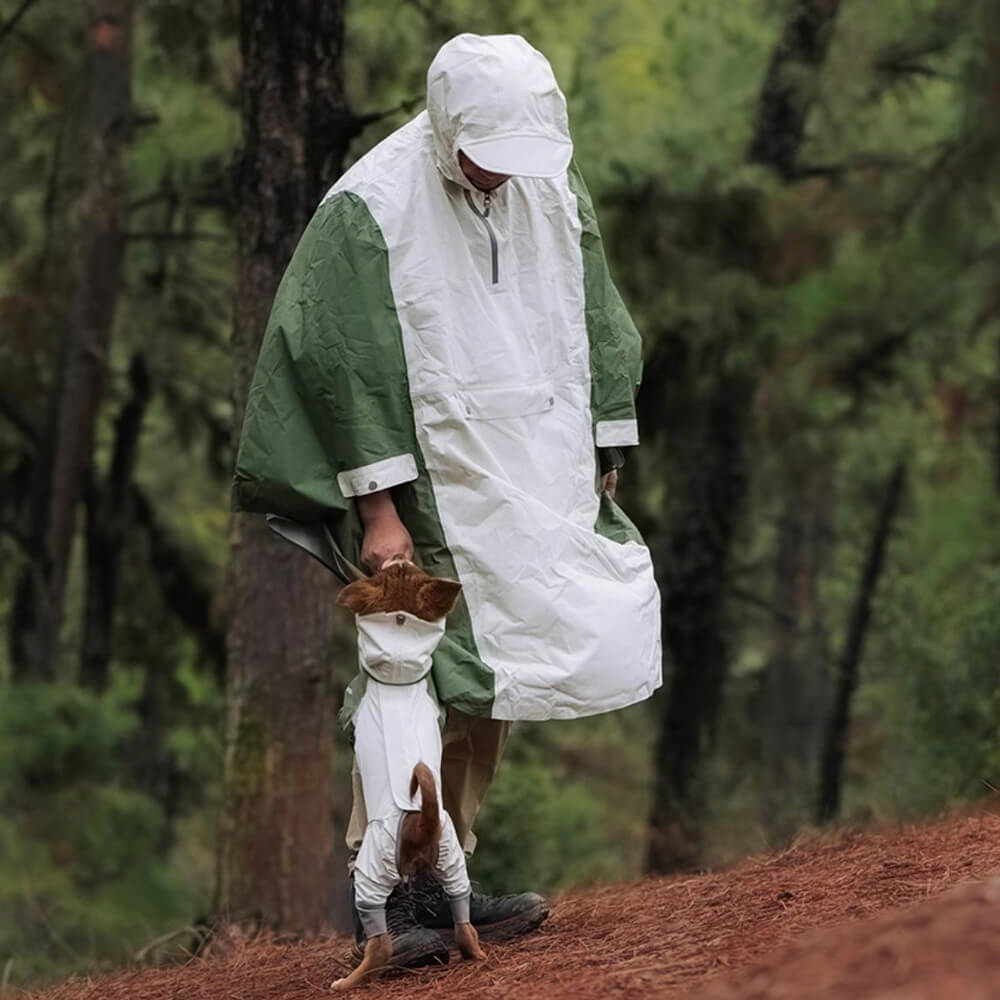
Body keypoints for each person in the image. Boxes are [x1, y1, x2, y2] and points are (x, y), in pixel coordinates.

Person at [232, 33, 662, 967]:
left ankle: (442, 871)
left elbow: (594, 310)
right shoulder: (371, 208)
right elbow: (348, 365)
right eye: (487, 156)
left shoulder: (549, 182)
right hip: (418, 481)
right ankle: (385, 890)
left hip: (514, 468)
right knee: (410, 682)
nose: (505, 176)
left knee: (488, 680)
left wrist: (602, 444)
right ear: (448, 128)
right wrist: (380, 513)